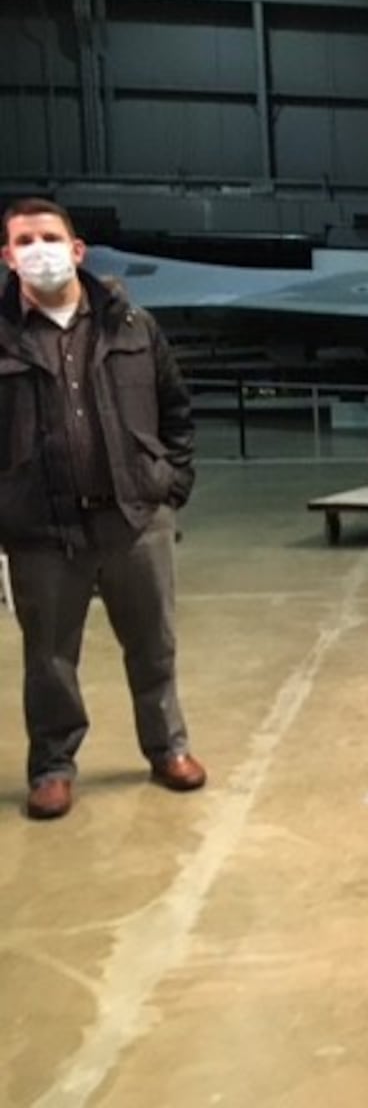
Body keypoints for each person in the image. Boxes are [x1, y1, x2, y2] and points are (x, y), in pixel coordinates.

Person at [1, 197, 206, 821]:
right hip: (42, 531)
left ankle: (168, 748)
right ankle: (53, 767)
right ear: (7, 258)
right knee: (50, 658)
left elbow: (176, 409)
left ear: (77, 249)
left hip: (134, 519)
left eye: (50, 237)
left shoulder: (131, 325)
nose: (40, 249)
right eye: (25, 240)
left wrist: (169, 483)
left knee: (153, 646)